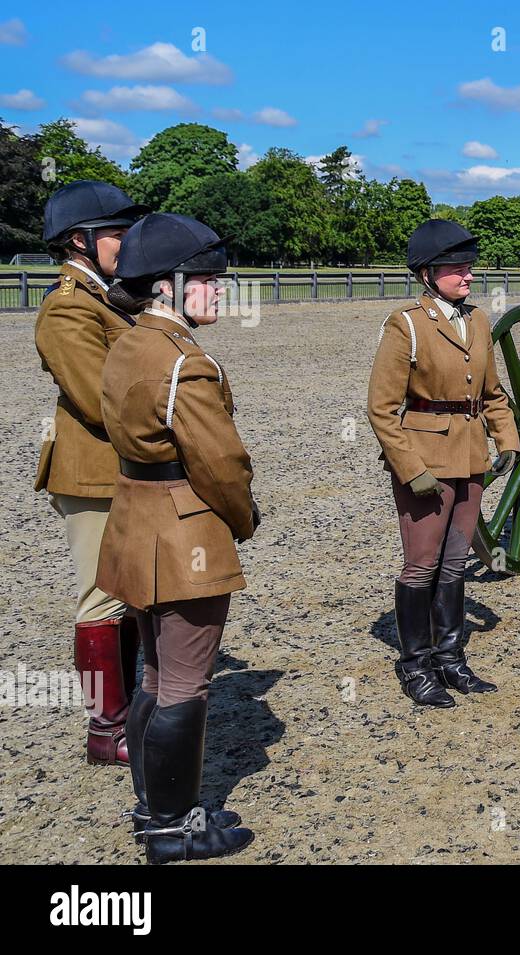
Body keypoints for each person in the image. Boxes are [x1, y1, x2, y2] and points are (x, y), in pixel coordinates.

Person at [98, 212, 256, 862]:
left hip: (136, 522)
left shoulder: (129, 344)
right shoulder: (184, 362)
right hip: (184, 532)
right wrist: (243, 516)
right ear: (168, 286)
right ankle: (175, 825)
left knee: (156, 677)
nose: (219, 290)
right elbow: (221, 464)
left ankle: (152, 810)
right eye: (208, 280)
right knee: (187, 683)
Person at [368, 220, 520, 708]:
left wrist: (507, 440)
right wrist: (411, 468)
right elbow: (381, 408)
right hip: (426, 461)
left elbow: (493, 393)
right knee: (422, 566)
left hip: (470, 455)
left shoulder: (476, 320)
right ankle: (416, 664)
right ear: (429, 273)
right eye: (457, 267)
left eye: (469, 266)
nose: (468, 274)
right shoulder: (406, 324)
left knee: (455, 562)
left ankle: (451, 657)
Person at [34, 180, 148, 765]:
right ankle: (108, 728)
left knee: (127, 598)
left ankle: (127, 712)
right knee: (101, 602)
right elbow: (97, 395)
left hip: (122, 468)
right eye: (117, 233)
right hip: (92, 472)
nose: (128, 242)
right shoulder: (69, 306)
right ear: (80, 241)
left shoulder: (112, 297)